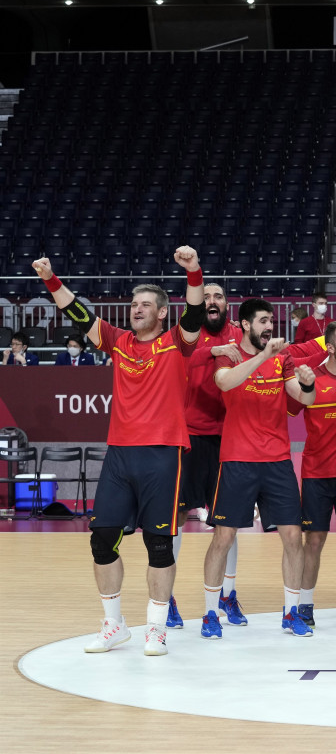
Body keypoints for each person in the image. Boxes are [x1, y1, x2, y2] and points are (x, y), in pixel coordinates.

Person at [32, 246, 206, 656]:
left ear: (163, 312)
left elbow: (196, 314)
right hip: (120, 455)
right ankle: (114, 625)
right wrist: (49, 278)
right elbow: (78, 314)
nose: (136, 309)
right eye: (133, 304)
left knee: (159, 545)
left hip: (163, 454)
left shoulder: (176, 344)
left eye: (145, 305)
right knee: (102, 539)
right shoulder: (118, 341)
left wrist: (194, 271)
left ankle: (156, 628)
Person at [201, 298, 317, 640]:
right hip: (237, 459)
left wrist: (308, 382)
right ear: (246, 325)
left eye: (272, 321)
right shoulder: (228, 354)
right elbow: (224, 383)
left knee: (294, 537)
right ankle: (210, 613)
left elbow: (304, 398)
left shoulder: (282, 358)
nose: (270, 326)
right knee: (223, 537)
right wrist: (263, 357)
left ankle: (291, 612)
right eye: (263, 321)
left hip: (278, 461)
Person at [171, 282, 245, 630]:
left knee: (226, 521)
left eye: (219, 296)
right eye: (208, 296)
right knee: (179, 515)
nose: (212, 302)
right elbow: (180, 362)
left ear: (227, 305)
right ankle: (166, 595)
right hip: (187, 438)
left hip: (228, 440)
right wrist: (214, 353)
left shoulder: (239, 334)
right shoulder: (186, 334)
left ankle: (228, 594)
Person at [289, 320, 336, 627]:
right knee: (314, 540)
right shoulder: (311, 380)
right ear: (330, 348)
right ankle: (305, 605)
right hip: (317, 473)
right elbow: (287, 411)